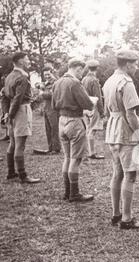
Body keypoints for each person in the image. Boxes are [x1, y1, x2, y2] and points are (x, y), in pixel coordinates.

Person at [103, 50, 139, 229]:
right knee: (130, 175)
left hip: (113, 129)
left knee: (117, 173)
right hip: (125, 131)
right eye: (135, 64)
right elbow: (131, 114)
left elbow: (108, 110)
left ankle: (116, 214)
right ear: (128, 64)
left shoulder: (109, 81)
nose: (137, 67)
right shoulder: (126, 83)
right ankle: (127, 218)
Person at [51, 58, 95, 202]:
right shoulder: (75, 83)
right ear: (77, 68)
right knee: (75, 160)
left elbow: (53, 105)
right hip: (75, 121)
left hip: (62, 121)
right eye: (81, 70)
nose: (82, 73)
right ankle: (74, 194)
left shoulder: (57, 82)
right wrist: (92, 103)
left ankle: (67, 192)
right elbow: (87, 103)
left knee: (67, 158)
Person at [3, 52, 40, 183]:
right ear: (20, 61)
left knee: (13, 143)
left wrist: (7, 113)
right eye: (26, 59)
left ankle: (11, 172)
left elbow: (5, 97)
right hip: (21, 110)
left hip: (13, 111)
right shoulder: (22, 77)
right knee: (20, 145)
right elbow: (18, 99)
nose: (28, 61)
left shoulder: (9, 76)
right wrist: (11, 114)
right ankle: (23, 175)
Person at [33, 66, 61, 155]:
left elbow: (54, 94)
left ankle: (56, 148)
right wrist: (39, 85)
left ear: (52, 73)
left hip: (53, 108)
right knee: (48, 129)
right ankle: (50, 147)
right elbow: (37, 85)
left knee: (54, 129)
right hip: (46, 108)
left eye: (49, 74)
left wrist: (42, 93)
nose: (47, 76)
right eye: (45, 75)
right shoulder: (46, 82)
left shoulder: (56, 82)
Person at [82, 60, 105, 160]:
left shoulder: (84, 79)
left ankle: (88, 151)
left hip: (85, 106)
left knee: (88, 129)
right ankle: (92, 153)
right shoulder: (94, 80)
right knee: (92, 130)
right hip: (93, 105)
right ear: (97, 68)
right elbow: (98, 97)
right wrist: (101, 111)